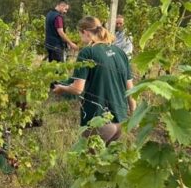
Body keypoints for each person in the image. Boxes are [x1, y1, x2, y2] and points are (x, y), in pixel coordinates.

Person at [53, 16, 136, 145]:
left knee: (88, 160)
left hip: (99, 120)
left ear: (85, 32)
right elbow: (131, 90)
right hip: (120, 121)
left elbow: (77, 88)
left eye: (79, 34)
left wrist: (61, 88)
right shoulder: (120, 53)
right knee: (105, 161)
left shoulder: (88, 52)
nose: (81, 38)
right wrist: (134, 115)